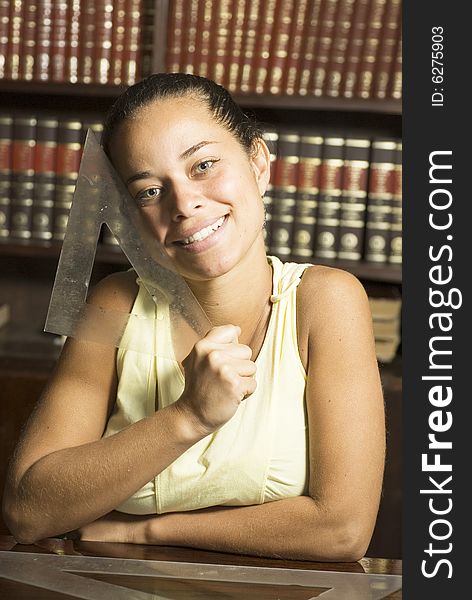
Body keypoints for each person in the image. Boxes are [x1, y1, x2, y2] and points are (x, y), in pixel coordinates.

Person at [2, 73, 385, 561]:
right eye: (148, 191)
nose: (184, 205)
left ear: (258, 163)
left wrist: (144, 533)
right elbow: (28, 510)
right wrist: (189, 416)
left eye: (203, 165)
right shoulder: (113, 304)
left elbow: (342, 530)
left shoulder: (328, 301)